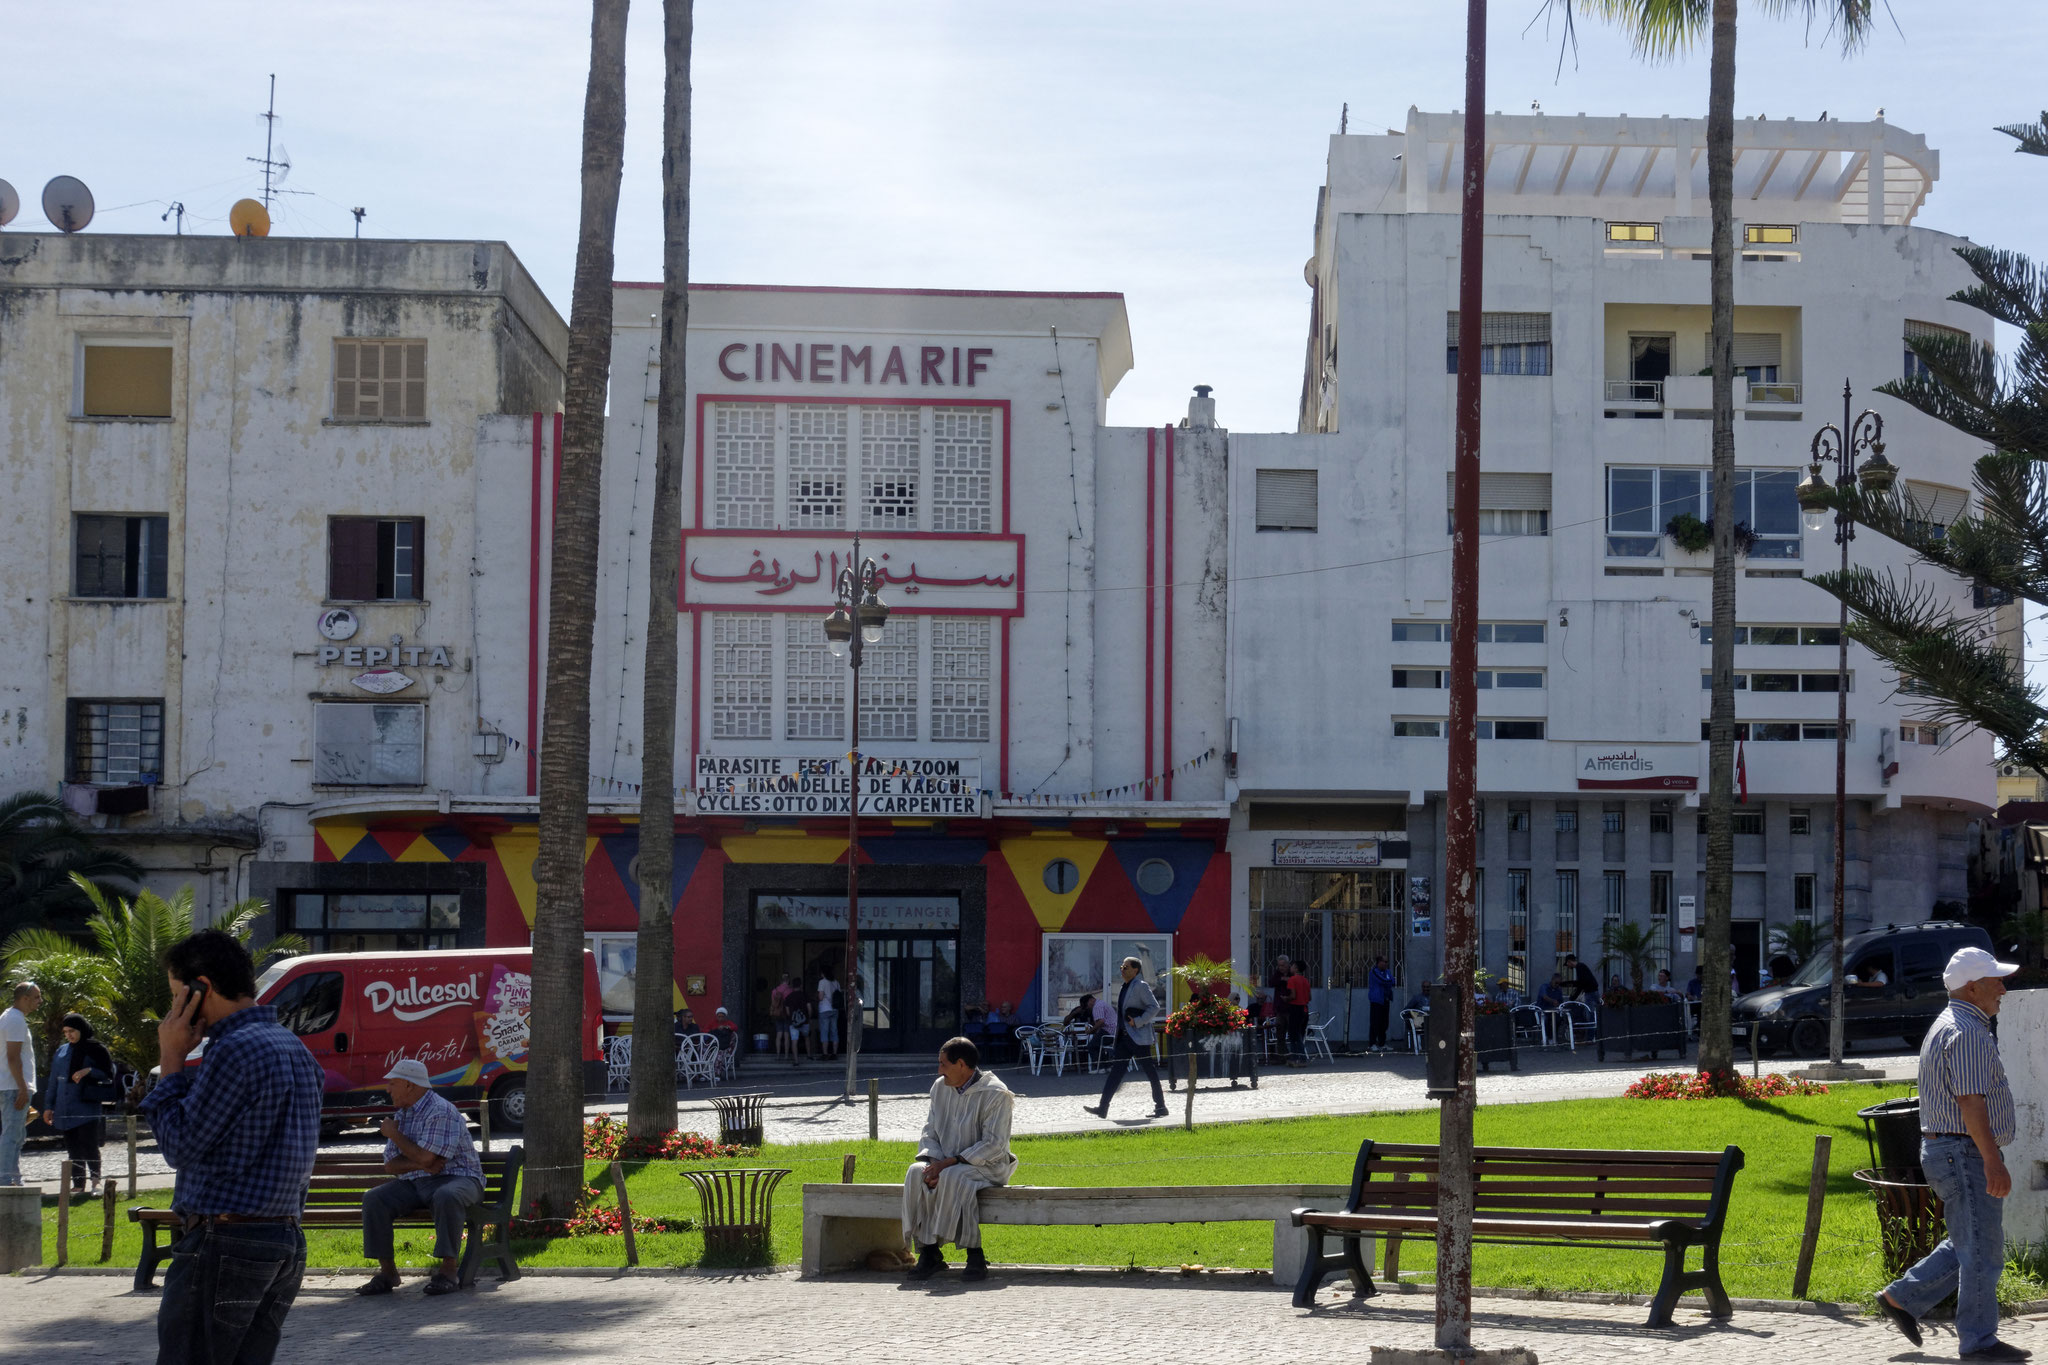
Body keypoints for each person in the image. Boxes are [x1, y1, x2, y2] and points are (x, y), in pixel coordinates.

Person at [141, 929, 324, 1365]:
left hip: (226, 1240)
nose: (172, 1011)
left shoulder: (233, 1050)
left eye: (175, 995)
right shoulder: (295, 1048)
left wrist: (170, 1062)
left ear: (200, 988)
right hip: (283, 1240)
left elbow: (180, 1144)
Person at [1875, 947, 2025, 1360]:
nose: (2003, 990)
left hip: (1952, 1150)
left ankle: (1901, 1297)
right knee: (1981, 1252)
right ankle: (1979, 1343)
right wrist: (1993, 1160)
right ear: (1973, 987)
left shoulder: (1952, 1023)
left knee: (1972, 1241)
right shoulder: (1968, 1032)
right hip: (1964, 1151)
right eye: (1996, 982)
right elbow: (1971, 1102)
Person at [356, 1059, 486, 1297]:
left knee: (447, 1195)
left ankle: (448, 1272)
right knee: (374, 1199)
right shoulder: (402, 1114)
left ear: (409, 1085)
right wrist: (422, 1164)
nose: (387, 1089)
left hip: (460, 1179)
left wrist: (395, 1136)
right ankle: (387, 1273)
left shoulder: (441, 1111)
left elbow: (427, 1158)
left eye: (393, 1083)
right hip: (418, 1181)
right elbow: (391, 1165)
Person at [902, 1036, 1017, 1283]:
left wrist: (949, 1164)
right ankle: (928, 1251)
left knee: (956, 1177)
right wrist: (934, 1164)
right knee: (915, 1172)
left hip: (988, 1166)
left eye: (944, 1064)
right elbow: (929, 1131)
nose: (939, 1070)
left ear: (962, 1065)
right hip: (943, 1162)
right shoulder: (939, 1088)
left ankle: (975, 1255)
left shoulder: (996, 1094)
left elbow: (994, 1144)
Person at [1084, 957, 1167, 1119]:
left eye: (1126, 967)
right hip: (1123, 1038)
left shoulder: (1140, 986)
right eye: (1121, 966)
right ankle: (1103, 1108)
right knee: (1116, 1073)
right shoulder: (1124, 986)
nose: (1122, 969)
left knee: (1150, 1072)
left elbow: (1155, 1007)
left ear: (1135, 970)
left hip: (1138, 1037)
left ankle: (1161, 1106)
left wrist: (1137, 1021)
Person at [40, 1013, 113, 1196]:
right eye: (65, 1032)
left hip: (86, 1105)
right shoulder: (62, 1051)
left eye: (72, 1031)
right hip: (65, 1106)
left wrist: (88, 1070)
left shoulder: (95, 1048)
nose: (69, 1035)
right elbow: (53, 1081)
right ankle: (78, 1184)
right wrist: (48, 1106)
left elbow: (107, 1072)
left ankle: (96, 1182)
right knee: (73, 1147)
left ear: (81, 1029)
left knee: (89, 1145)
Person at [0, 981, 40, 1187]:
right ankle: (5, 1179)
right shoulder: (15, 1020)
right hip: (14, 1086)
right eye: (36, 997)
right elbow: (13, 1057)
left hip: (10, 1085)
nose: (40, 1002)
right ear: (24, 998)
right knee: (12, 1134)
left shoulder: (9, 1017)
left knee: (16, 1134)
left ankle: (13, 1178)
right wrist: (23, 1088)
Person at [1284, 960, 1313, 1064]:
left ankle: (1297, 1057)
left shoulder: (1292, 980)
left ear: (1295, 968)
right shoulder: (1305, 980)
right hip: (1305, 1009)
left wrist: (1285, 998)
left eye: (1291, 966)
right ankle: (1299, 1057)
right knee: (1300, 1033)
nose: (1290, 968)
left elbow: (1293, 996)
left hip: (1295, 1008)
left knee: (1294, 1035)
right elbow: (1309, 997)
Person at [1366, 956, 1396, 1053]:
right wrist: (1388, 982)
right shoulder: (1374, 972)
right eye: (1385, 962)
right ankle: (1372, 1043)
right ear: (1379, 962)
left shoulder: (1387, 972)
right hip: (1376, 1000)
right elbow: (1382, 980)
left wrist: (1389, 982)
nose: (1386, 964)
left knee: (1384, 1023)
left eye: (1387, 962)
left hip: (1385, 999)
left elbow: (1393, 981)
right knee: (1375, 1022)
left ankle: (1382, 1043)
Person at [816, 969, 841, 1061]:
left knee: (824, 1031)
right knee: (834, 1031)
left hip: (824, 1009)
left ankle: (825, 1053)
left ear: (823, 973)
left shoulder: (822, 982)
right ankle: (834, 1053)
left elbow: (821, 997)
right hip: (834, 1009)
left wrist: (817, 996)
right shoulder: (836, 982)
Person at [784, 983, 810, 1065]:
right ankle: (809, 1055)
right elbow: (809, 1008)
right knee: (807, 1037)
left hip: (793, 1022)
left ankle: (796, 1060)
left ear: (792, 987)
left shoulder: (789, 997)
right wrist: (808, 1017)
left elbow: (787, 1012)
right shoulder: (804, 995)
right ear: (800, 986)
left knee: (794, 1041)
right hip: (805, 1021)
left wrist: (792, 1017)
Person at [770, 975, 792, 1059]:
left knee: (779, 1034)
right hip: (786, 1014)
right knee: (786, 1035)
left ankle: (778, 1055)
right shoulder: (790, 990)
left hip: (777, 1014)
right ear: (788, 981)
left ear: (781, 981)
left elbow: (773, 1004)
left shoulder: (774, 991)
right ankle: (786, 1055)